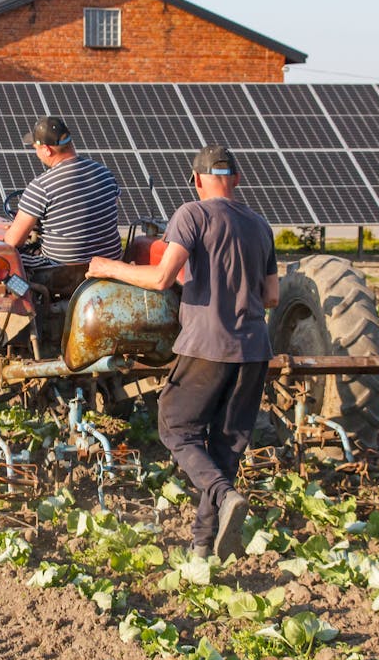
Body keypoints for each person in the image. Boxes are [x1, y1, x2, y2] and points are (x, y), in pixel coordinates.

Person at [86, 145, 278, 562]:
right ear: (238, 179)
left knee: (176, 427)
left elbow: (160, 278)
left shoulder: (193, 213)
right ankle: (202, 548)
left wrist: (107, 268)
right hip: (255, 349)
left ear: (196, 180)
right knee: (225, 446)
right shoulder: (261, 225)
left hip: (209, 344)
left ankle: (225, 497)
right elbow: (273, 296)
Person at [4, 116, 122, 269]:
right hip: (111, 263)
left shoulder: (41, 186)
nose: (36, 153)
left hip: (62, 270)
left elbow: (13, 242)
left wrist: (7, 235)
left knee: (6, 258)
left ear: (46, 150)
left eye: (36, 148)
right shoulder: (104, 173)